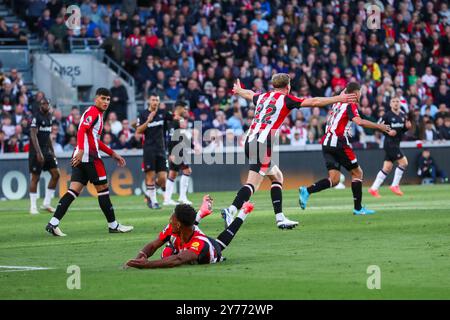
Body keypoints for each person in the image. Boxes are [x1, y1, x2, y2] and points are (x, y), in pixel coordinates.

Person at [222, 73, 359, 230]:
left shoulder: (264, 97)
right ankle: (230, 210)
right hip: (261, 143)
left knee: (277, 177)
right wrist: (337, 99)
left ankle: (280, 219)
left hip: (249, 140)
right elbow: (314, 101)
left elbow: (250, 94)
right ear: (288, 87)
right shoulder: (287, 99)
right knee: (252, 184)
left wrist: (239, 90)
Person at [45, 88, 133, 236]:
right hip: (89, 157)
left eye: (108, 99)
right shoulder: (93, 112)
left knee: (73, 191)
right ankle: (113, 225)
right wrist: (80, 150)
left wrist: (112, 153)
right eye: (103, 98)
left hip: (81, 156)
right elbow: (81, 131)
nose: (106, 102)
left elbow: (94, 139)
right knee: (103, 189)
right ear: (96, 99)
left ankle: (53, 223)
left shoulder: (96, 114)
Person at [299, 82, 391, 215]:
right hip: (339, 142)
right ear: (355, 93)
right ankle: (358, 208)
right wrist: (379, 126)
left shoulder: (337, 102)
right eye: (360, 92)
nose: (360, 95)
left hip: (326, 142)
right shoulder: (350, 104)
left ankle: (307, 191)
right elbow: (359, 122)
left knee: (334, 179)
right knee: (358, 173)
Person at [125, 196, 254, 269]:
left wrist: (147, 265)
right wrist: (137, 259)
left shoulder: (199, 243)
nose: (169, 221)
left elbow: (178, 259)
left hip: (212, 249)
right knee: (167, 253)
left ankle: (243, 212)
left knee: (219, 244)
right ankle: (200, 213)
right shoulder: (173, 228)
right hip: (186, 236)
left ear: (178, 224)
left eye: (172, 219)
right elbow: (153, 245)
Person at [368, 97, 412, 197]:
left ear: (400, 103)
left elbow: (401, 130)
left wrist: (406, 128)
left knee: (387, 167)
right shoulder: (387, 116)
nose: (396, 103)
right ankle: (395, 185)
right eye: (393, 101)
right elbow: (377, 126)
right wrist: (388, 131)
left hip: (396, 143)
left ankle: (373, 188)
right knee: (404, 163)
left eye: (397, 101)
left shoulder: (402, 115)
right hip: (389, 143)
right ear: (390, 104)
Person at [136, 93, 173, 209]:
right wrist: (148, 120)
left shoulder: (163, 113)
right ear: (149, 101)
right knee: (150, 176)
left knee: (163, 177)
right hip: (149, 149)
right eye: (153, 100)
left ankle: (148, 194)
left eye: (157, 100)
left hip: (161, 149)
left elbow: (173, 119)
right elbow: (138, 130)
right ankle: (154, 201)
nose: (155, 102)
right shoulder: (143, 114)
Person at [28, 98, 60, 214]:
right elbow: (33, 134)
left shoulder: (50, 117)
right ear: (40, 105)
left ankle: (46, 203)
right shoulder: (36, 117)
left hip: (47, 151)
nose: (45, 105)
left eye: (47, 103)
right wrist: (38, 152)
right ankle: (32, 206)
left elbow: (47, 137)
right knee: (35, 178)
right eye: (43, 104)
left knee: (56, 175)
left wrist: (53, 152)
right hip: (36, 151)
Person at [164, 103, 193, 206]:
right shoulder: (174, 121)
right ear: (179, 108)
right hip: (176, 151)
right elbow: (172, 137)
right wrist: (171, 152)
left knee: (173, 174)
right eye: (184, 108)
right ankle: (182, 197)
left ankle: (167, 199)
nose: (186, 110)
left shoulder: (177, 120)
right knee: (187, 171)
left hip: (179, 149)